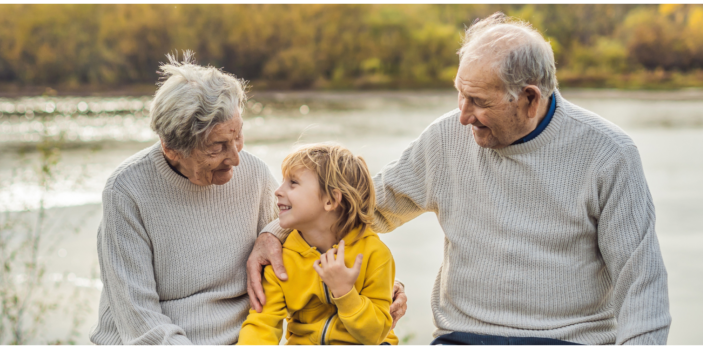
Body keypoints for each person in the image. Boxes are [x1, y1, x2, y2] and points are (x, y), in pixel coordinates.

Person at [247, 13, 671, 345]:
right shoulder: (448, 137)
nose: (463, 115)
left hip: (565, 341)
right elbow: (359, 208)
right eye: (460, 94)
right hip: (461, 339)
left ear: (529, 99)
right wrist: (274, 233)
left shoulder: (608, 155)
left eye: (478, 102)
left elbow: (642, 285)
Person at [90, 52, 407, 345]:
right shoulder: (126, 192)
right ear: (171, 148)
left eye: (237, 136)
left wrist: (372, 288)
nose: (236, 159)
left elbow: (304, 229)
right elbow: (140, 322)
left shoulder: (253, 173)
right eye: (217, 147)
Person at [238, 143, 399, 345]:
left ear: (331, 200)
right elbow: (262, 324)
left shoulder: (375, 254)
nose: (278, 191)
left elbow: (376, 334)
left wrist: (345, 292)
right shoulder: (280, 259)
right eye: (282, 181)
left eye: (293, 182)